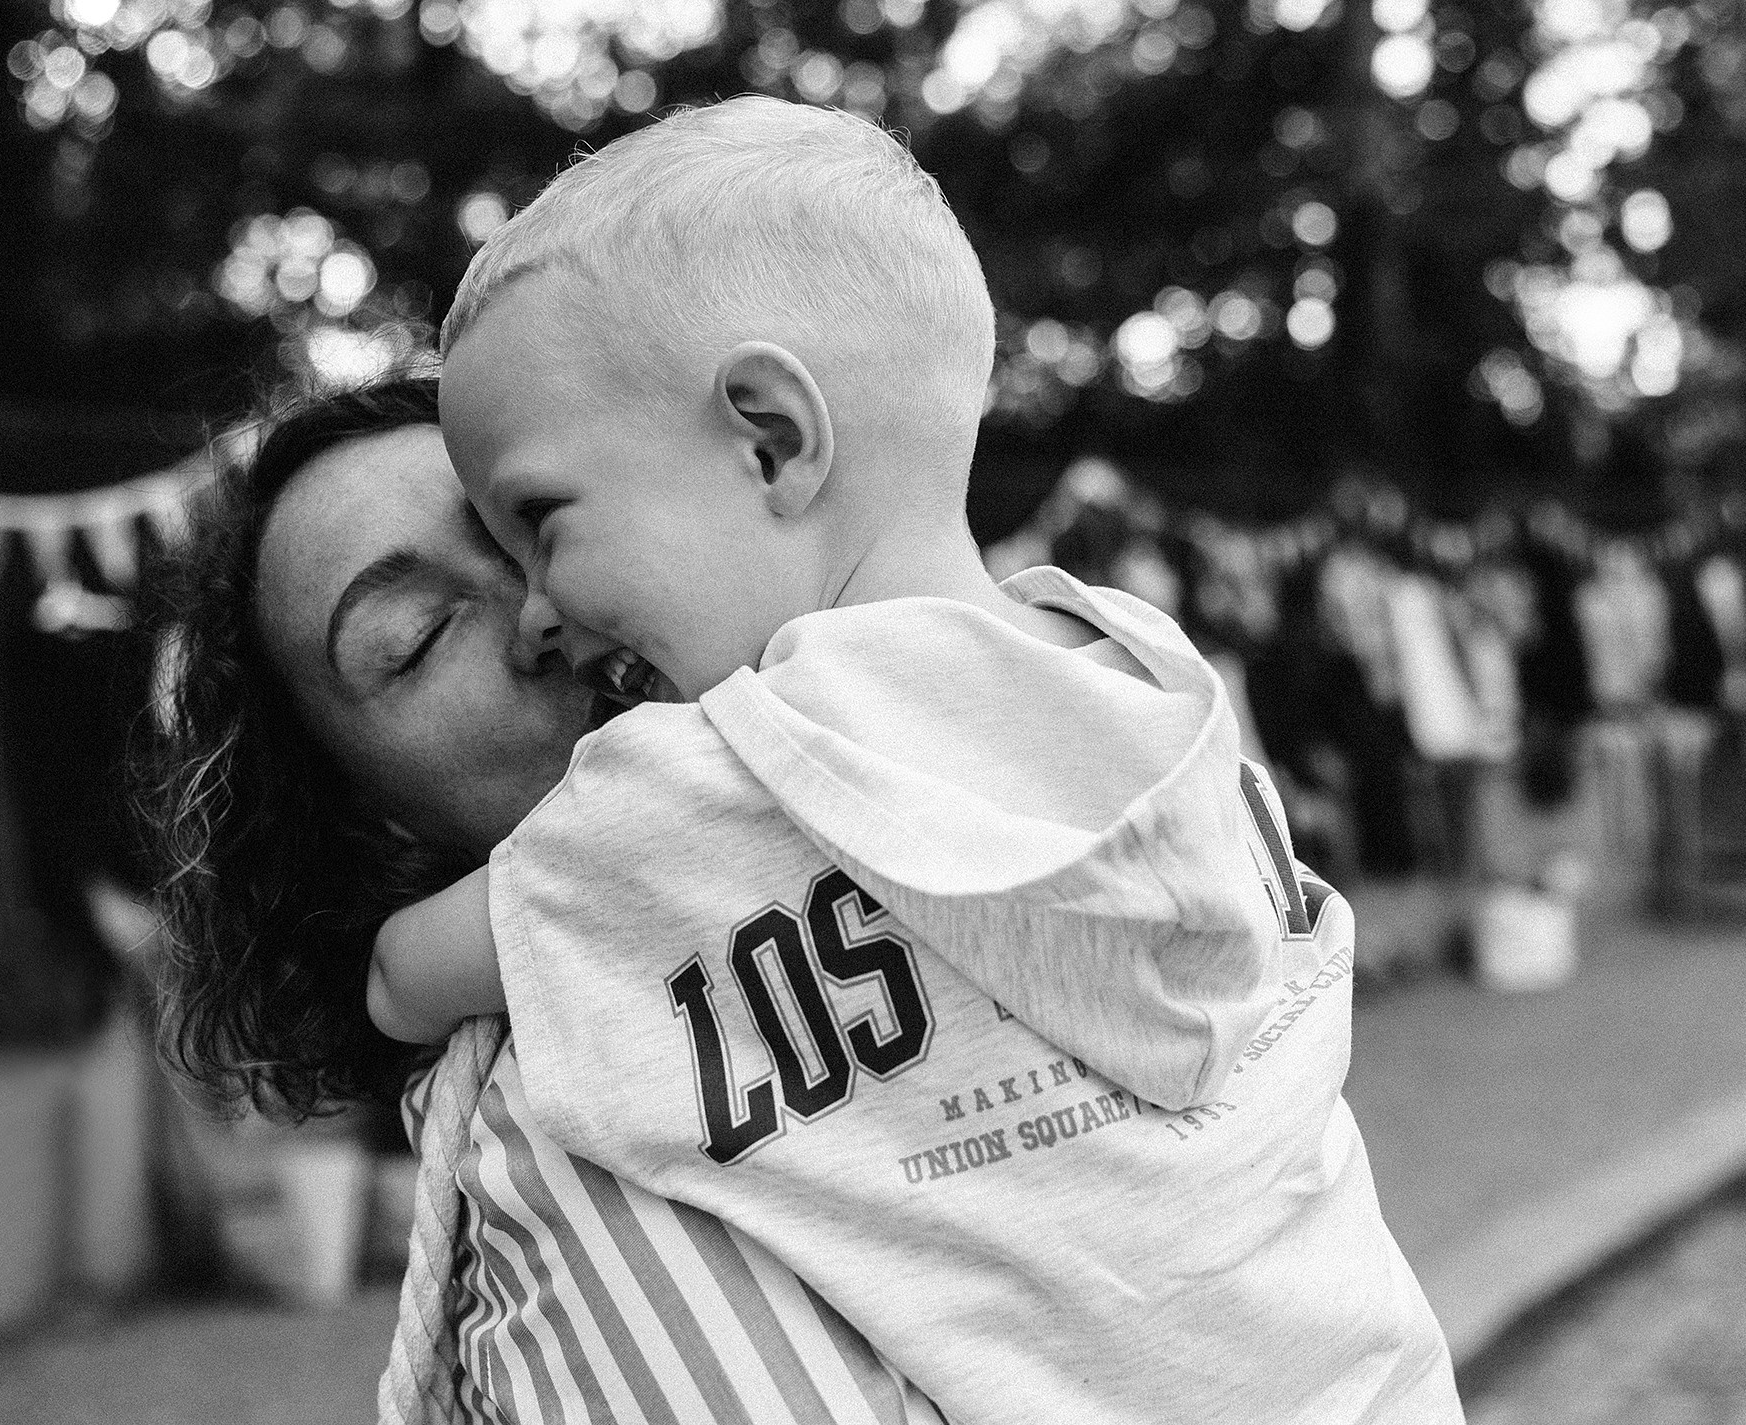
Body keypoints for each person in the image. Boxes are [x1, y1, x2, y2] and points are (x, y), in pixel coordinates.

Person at [370, 99, 1462, 1422]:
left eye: (541, 523)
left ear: (769, 436)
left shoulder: (699, 782)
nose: (537, 607)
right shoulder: (1147, 682)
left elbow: (401, 974)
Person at [134, 375, 946, 1424]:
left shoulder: (993, 729)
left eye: (537, 523)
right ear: (374, 823)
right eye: (417, 636)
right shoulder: (549, 1135)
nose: (539, 605)